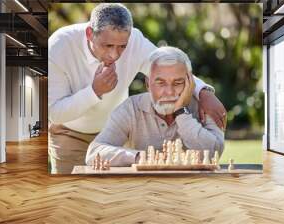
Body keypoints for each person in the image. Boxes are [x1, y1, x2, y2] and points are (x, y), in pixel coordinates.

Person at [48, 3, 226, 174]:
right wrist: (95, 91)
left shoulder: (134, 39)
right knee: (71, 197)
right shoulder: (59, 46)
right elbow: (55, 113)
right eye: (108, 45)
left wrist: (203, 91)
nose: (115, 55)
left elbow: (166, 66)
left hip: (117, 132)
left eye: (122, 47)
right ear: (89, 33)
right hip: (69, 133)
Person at [86, 46, 224, 166]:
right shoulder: (131, 108)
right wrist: (141, 157)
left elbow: (213, 153)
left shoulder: (204, 105)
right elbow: (94, 152)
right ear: (148, 84)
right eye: (161, 83)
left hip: (193, 190)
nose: (169, 92)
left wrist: (181, 112)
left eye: (177, 83)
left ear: (190, 83)